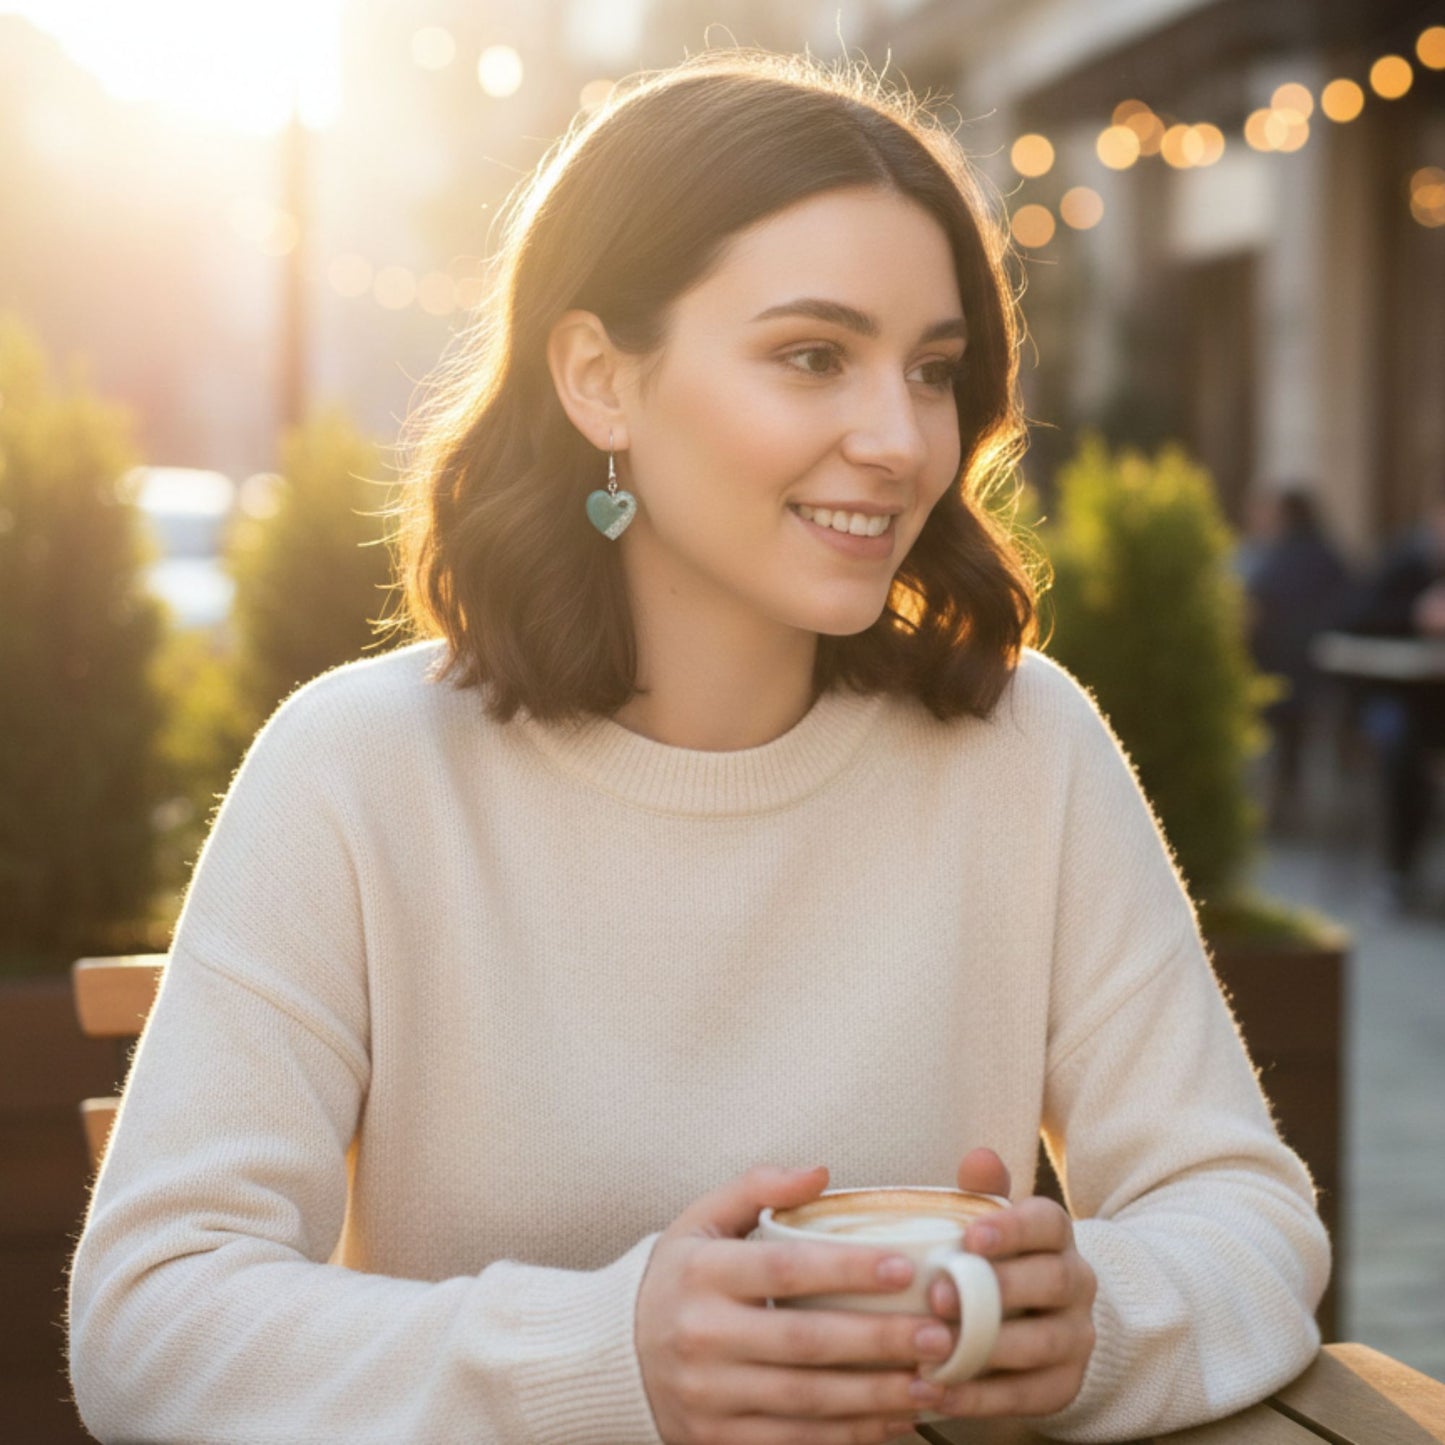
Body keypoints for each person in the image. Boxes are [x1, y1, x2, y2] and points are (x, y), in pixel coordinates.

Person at [67, 50, 1329, 1444]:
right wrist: (608, 1360)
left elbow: (1249, 1221)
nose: (901, 438)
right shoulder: (358, 773)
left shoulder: (1024, 750)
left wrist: (1092, 1327)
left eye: (932, 371)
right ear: (601, 379)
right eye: (812, 357)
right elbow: (152, 1317)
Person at [1337, 482, 1445, 909]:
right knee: (1402, 751)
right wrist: (1417, 614)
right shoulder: (1404, 563)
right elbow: (1353, 618)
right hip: (1396, 698)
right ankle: (1399, 872)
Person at [1237, 486, 1354, 831]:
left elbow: (1250, 613)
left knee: (1277, 735)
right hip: (1324, 678)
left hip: (1275, 675)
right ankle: (1291, 802)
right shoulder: (1331, 558)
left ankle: (1275, 806)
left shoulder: (1272, 561)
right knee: (1296, 738)